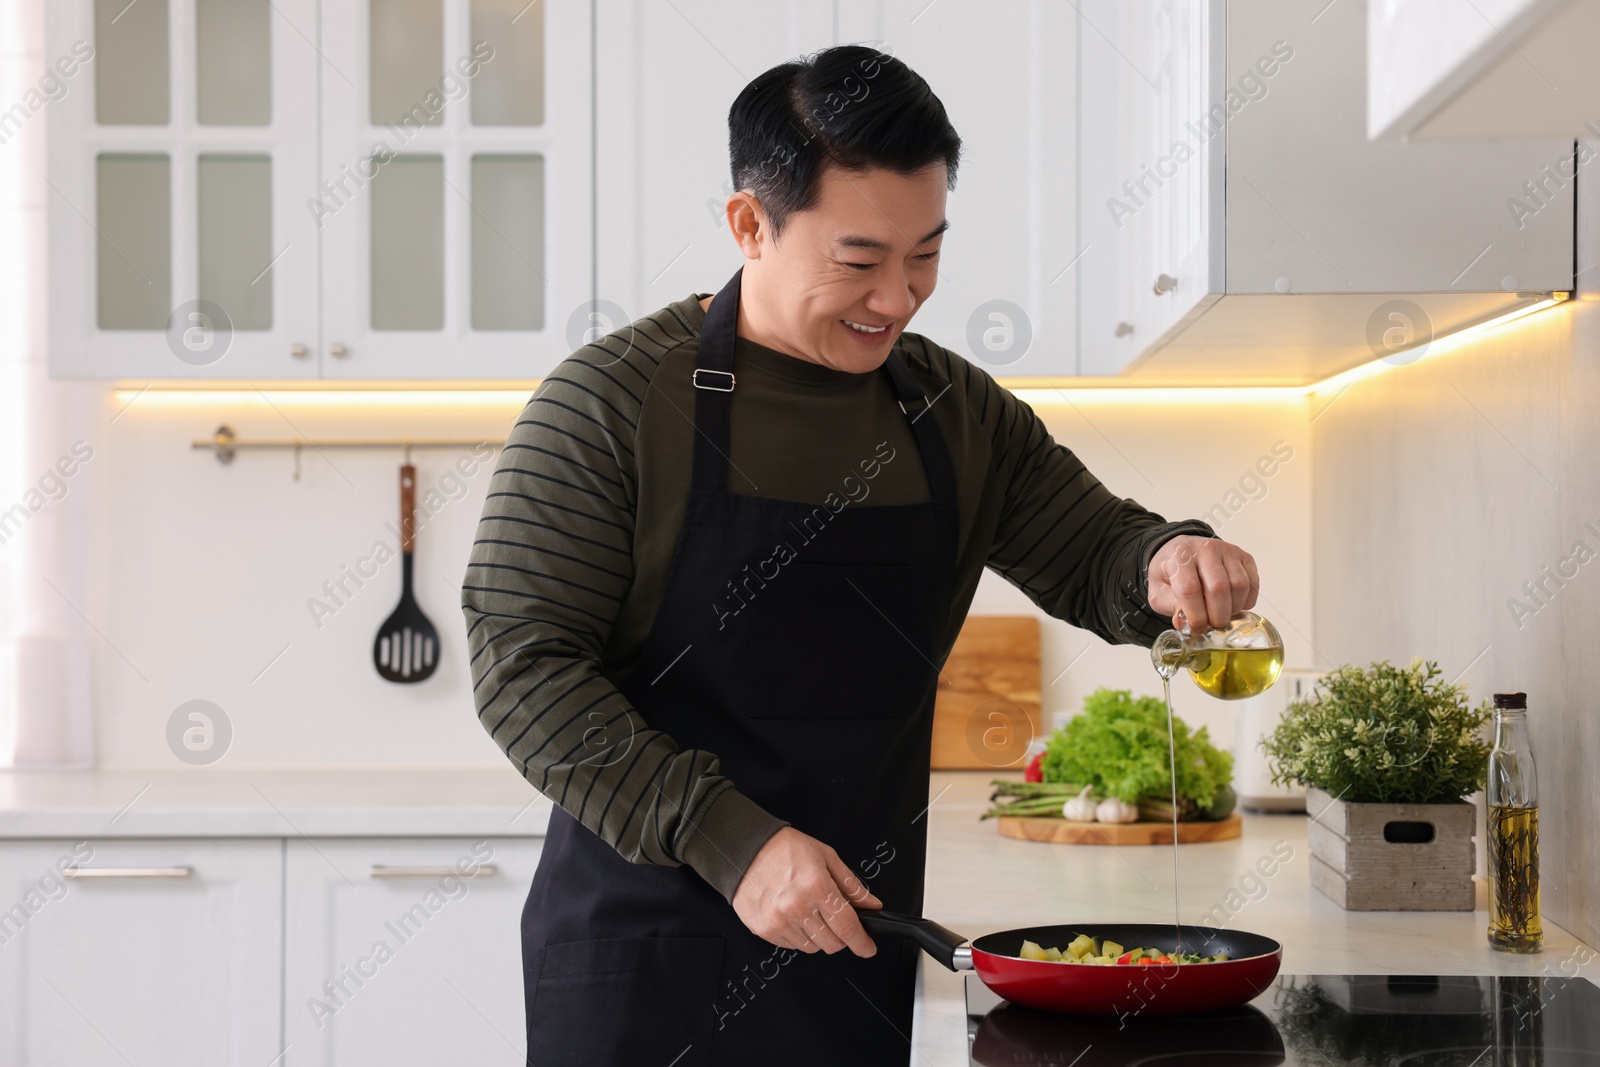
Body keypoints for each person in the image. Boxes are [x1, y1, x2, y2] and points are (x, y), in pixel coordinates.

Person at [461, 43, 1260, 1067]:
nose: (899, 296)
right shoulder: (609, 404)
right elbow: (521, 667)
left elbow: (1094, 546)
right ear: (750, 223)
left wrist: (1170, 558)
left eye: (924, 252)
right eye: (859, 259)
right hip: (645, 953)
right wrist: (734, 841)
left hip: (852, 946)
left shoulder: (951, 408)